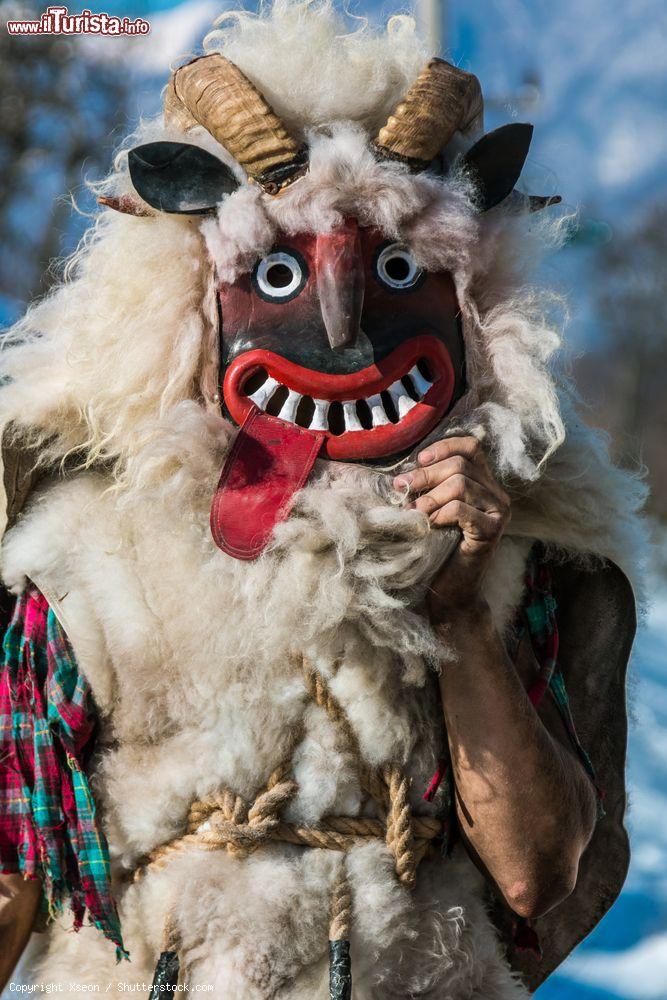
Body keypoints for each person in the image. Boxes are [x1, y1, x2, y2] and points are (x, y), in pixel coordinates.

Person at [0, 2, 645, 997]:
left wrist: (462, 612)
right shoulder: (93, 554)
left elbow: (534, 870)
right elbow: (14, 857)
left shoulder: (514, 555)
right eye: (277, 270)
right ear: (190, 292)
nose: (343, 322)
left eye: (397, 271)